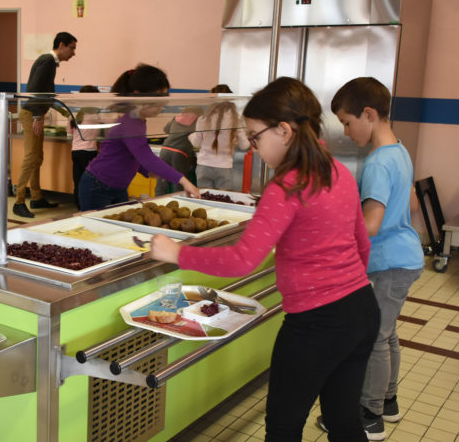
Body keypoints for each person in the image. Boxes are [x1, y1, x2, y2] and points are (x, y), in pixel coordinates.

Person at [149, 77, 379, 441]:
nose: (253, 147)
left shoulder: (287, 184)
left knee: (284, 428)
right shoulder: (338, 171)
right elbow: (361, 244)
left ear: (284, 131)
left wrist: (177, 253)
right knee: (344, 422)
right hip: (361, 309)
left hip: (315, 324)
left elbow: (243, 261)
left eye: (255, 137)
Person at [325, 77, 424, 440]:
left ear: (369, 114)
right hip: (405, 256)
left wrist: (334, 234)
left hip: (387, 263)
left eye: (348, 123)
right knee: (388, 332)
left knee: (375, 337)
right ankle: (389, 400)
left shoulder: (377, 163)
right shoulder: (399, 150)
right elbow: (411, 203)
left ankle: (369, 414)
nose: (347, 132)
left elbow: (370, 225)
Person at [78, 64, 200, 211]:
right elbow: (146, 157)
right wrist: (184, 181)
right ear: (139, 96)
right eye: (157, 100)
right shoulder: (130, 121)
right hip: (98, 187)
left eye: (164, 100)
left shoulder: (138, 120)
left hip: (118, 188)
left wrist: (146, 171)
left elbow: (132, 154)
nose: (161, 106)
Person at [13, 31, 78, 218]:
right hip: (31, 114)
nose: (73, 53)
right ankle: (18, 201)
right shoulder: (47, 61)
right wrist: (37, 116)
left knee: (37, 157)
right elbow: (35, 90)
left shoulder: (50, 62)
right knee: (31, 156)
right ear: (62, 45)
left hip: (36, 112)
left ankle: (36, 197)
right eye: (71, 48)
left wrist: (66, 112)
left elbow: (48, 95)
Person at [189, 85, 250, 189]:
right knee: (223, 199)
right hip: (224, 167)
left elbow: (196, 143)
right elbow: (244, 145)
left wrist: (191, 136)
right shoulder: (236, 120)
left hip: (204, 166)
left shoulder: (203, 119)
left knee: (205, 199)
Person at [66, 85, 101, 209]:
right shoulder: (96, 116)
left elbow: (69, 133)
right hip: (90, 152)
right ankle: (88, 205)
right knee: (90, 181)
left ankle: (78, 205)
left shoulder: (74, 115)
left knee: (78, 180)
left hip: (76, 152)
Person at [153, 106, 200, 196]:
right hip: (180, 152)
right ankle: (179, 202)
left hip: (165, 149)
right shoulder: (197, 120)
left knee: (162, 178)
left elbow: (166, 129)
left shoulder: (176, 117)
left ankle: (157, 200)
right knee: (179, 181)